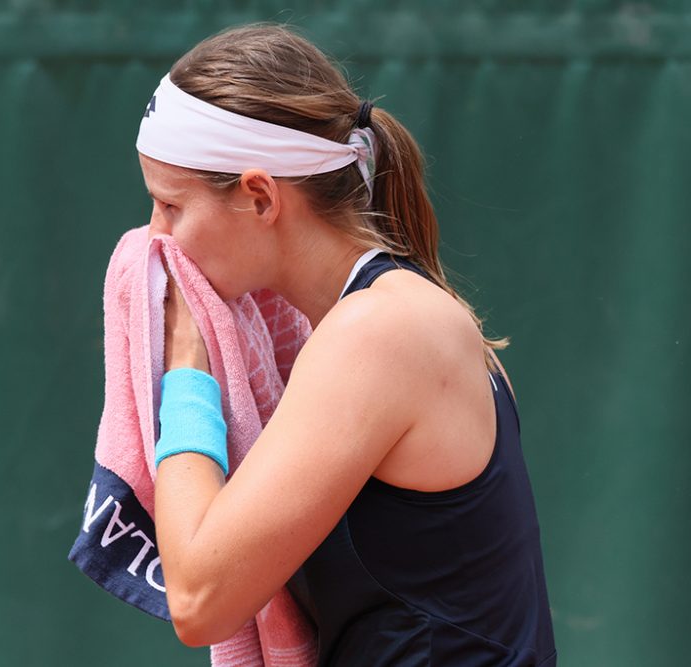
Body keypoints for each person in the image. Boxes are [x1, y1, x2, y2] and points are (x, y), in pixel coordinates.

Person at [139, 23, 556, 666]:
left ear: (259, 196)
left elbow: (199, 599)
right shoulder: (386, 320)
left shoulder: (379, 333)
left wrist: (187, 368)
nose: (154, 238)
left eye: (170, 206)